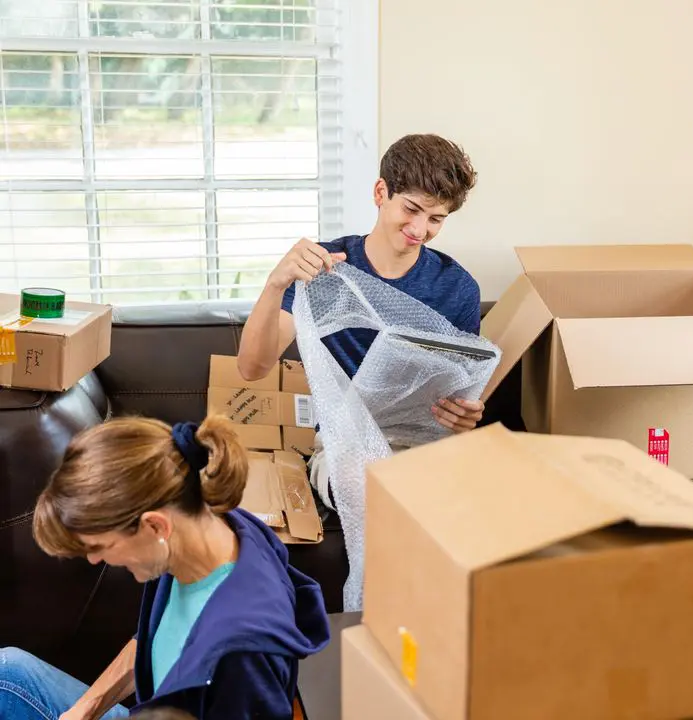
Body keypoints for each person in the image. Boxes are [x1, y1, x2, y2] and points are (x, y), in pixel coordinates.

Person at [0, 416, 330, 719]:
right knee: (8, 670)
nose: (94, 560)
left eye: (100, 547)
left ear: (155, 527)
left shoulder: (240, 655)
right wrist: (86, 709)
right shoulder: (202, 533)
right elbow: (154, 636)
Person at [237, 133, 485, 508]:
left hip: (427, 447)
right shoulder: (324, 270)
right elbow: (252, 368)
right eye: (412, 209)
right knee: (383, 495)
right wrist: (276, 282)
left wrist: (465, 415)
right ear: (381, 192)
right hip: (345, 448)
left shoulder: (457, 287)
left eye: (436, 219)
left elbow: (461, 391)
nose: (420, 230)